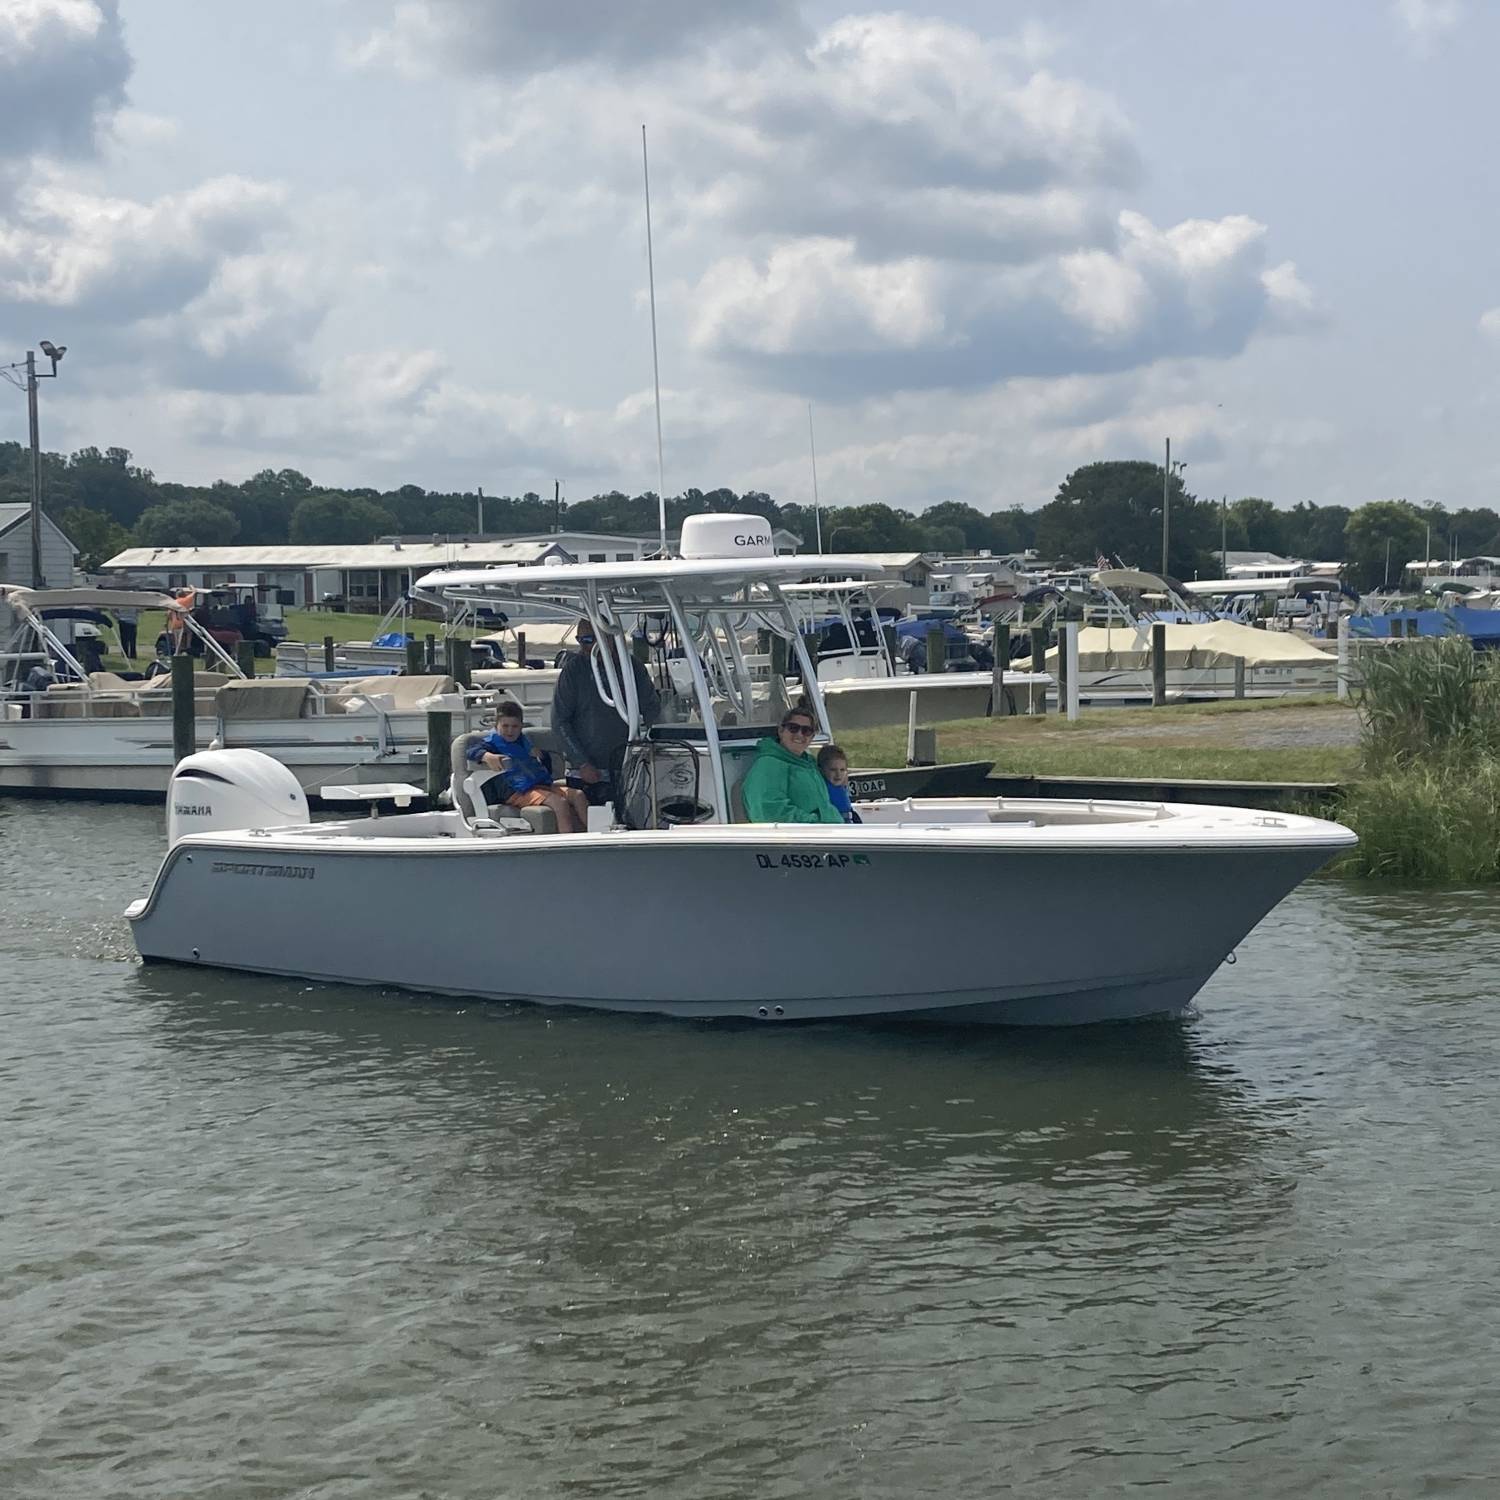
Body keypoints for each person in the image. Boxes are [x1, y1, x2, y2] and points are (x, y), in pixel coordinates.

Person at [553, 617, 660, 803]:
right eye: (580, 640)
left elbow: (652, 710)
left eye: (588, 640)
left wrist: (654, 748)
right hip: (586, 772)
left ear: (608, 637)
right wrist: (581, 762)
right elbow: (559, 721)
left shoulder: (633, 667)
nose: (584, 646)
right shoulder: (573, 671)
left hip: (627, 765)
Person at [466, 702, 588, 832]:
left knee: (578, 795)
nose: (510, 730)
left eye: (515, 726)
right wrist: (487, 756)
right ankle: (567, 843)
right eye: (505, 726)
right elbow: (471, 751)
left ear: (521, 726)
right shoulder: (490, 745)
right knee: (560, 803)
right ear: (496, 726)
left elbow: (545, 769)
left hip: (539, 786)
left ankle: (592, 834)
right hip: (516, 791)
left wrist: (541, 756)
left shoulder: (524, 742)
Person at [740, 708, 844, 824]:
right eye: (793, 728)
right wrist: (817, 823)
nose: (799, 734)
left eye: (806, 731)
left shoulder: (809, 764)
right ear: (781, 731)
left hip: (825, 834)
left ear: (812, 737)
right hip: (799, 838)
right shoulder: (769, 765)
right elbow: (770, 812)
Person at [817, 743, 862, 824]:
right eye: (833, 770)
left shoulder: (842, 787)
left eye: (842, 770)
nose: (838, 774)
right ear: (821, 770)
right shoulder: (823, 788)